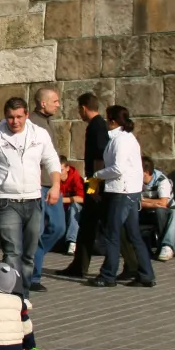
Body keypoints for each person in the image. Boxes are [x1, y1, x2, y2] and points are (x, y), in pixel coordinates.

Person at [0, 97, 61, 295]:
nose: (15, 121)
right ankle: (13, 295)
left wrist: (56, 185)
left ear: (27, 115)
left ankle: (23, 293)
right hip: (6, 201)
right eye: (10, 117)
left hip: (33, 199)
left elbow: (52, 160)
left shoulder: (39, 134)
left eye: (19, 117)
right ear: (5, 116)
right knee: (12, 252)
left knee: (29, 253)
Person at [89, 105, 156, 288]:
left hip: (122, 191)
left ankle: (108, 275)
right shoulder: (124, 138)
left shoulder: (121, 140)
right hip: (129, 191)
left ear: (112, 120)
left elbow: (118, 168)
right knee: (133, 234)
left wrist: (97, 175)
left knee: (112, 233)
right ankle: (146, 274)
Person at [56, 93, 111, 278]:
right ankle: (79, 265)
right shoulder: (96, 125)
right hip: (94, 181)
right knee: (87, 224)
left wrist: (93, 187)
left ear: (83, 108)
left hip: (96, 182)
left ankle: (133, 264)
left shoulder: (97, 126)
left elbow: (99, 159)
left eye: (79, 109)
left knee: (104, 224)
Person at [26, 88, 64, 292]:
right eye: (55, 101)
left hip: (52, 184)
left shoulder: (49, 122)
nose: (58, 105)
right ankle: (32, 276)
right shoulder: (31, 123)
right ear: (43, 103)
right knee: (37, 231)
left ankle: (32, 257)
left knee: (58, 227)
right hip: (38, 184)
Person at [139, 157, 173, 253]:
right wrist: (150, 204)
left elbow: (163, 203)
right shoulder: (135, 181)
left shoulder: (162, 181)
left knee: (160, 211)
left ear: (145, 172)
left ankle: (163, 246)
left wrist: (142, 201)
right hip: (146, 211)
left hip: (165, 213)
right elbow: (133, 202)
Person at [58, 156, 85, 255]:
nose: (58, 173)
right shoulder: (52, 177)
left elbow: (82, 198)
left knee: (74, 207)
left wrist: (62, 200)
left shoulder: (75, 177)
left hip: (71, 208)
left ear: (67, 168)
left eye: (61, 170)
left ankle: (72, 242)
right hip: (59, 208)